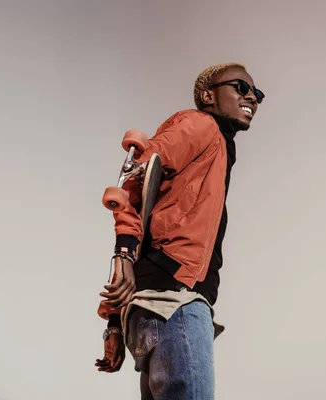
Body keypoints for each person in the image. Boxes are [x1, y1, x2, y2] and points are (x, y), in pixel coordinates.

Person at [94, 62, 265, 399]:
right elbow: (136, 175)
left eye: (257, 94)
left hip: (156, 307)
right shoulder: (200, 125)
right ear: (208, 95)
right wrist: (123, 252)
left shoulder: (215, 151)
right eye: (241, 88)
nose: (252, 98)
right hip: (175, 303)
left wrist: (113, 322)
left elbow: (146, 206)